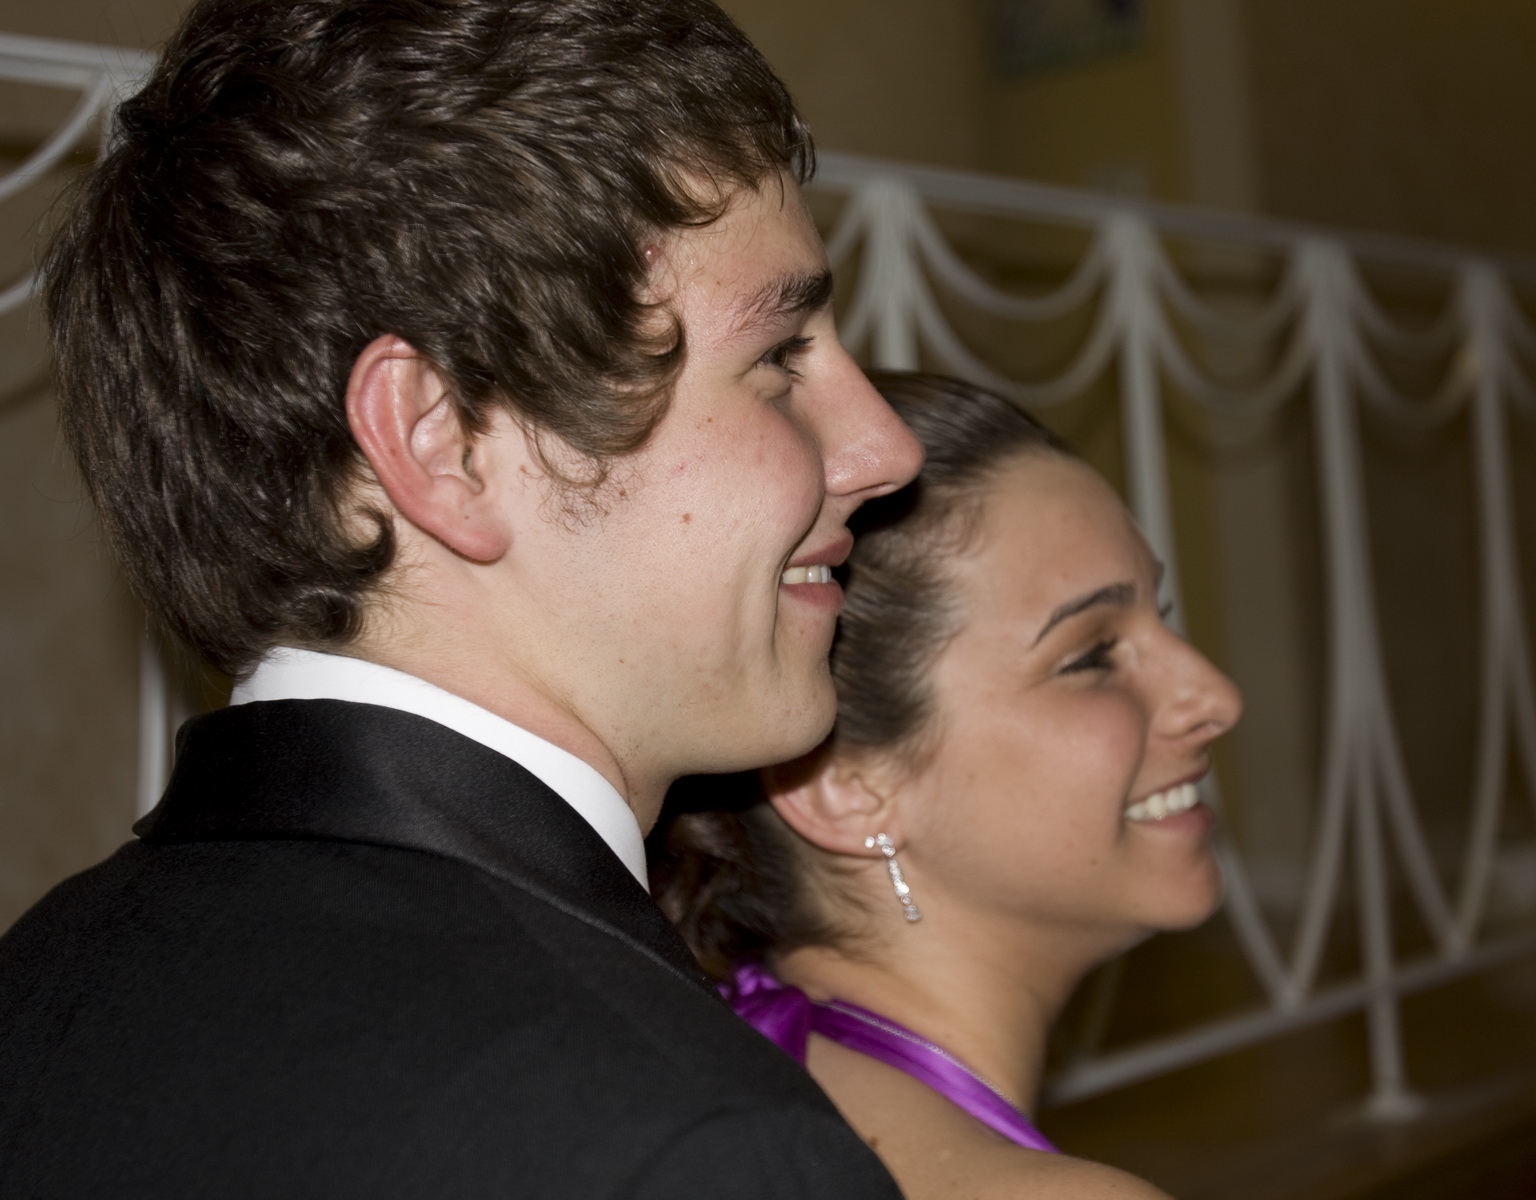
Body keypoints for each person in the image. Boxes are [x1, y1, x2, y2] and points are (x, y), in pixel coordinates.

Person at [0, 1, 921, 1196]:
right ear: (443, 444)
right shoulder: (693, 1143)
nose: (886, 447)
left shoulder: (39, 989)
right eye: (778, 358)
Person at [653, 373, 1244, 1199]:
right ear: (845, 787)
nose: (1216, 698)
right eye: (1091, 656)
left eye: (1162, 615)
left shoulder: (725, 1081)